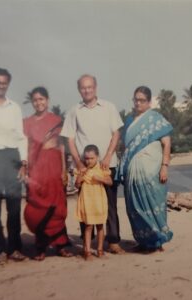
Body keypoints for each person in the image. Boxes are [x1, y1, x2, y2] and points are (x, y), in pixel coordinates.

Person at [61, 74, 125, 254]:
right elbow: (70, 140)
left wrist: (107, 156)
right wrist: (79, 163)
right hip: (84, 168)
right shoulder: (74, 111)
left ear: (95, 87)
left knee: (110, 205)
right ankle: (88, 242)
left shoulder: (109, 107)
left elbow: (116, 134)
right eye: (83, 87)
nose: (86, 90)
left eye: (89, 87)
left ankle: (113, 241)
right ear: (79, 89)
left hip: (106, 165)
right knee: (85, 204)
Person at [119, 86, 173, 252]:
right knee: (135, 206)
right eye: (135, 99)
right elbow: (125, 147)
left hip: (153, 170)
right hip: (132, 173)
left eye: (141, 100)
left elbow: (166, 143)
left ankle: (158, 241)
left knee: (155, 202)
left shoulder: (156, 119)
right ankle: (143, 241)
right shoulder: (128, 122)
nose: (138, 103)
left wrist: (164, 167)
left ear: (149, 102)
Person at [23, 87, 72, 261]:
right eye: (35, 100)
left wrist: (64, 169)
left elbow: (61, 147)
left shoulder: (56, 120)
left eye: (41, 99)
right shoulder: (26, 123)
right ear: (32, 102)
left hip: (53, 168)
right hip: (36, 170)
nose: (39, 103)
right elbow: (24, 147)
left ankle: (61, 245)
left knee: (57, 206)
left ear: (48, 100)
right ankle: (41, 247)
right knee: (38, 207)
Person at [0, 68, 28, 265]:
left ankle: (14, 248)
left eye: (4, 83)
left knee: (14, 208)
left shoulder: (15, 107)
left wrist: (23, 163)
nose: (0, 86)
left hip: (12, 158)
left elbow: (21, 137)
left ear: (8, 84)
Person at [75, 145, 113, 260]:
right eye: (86, 158)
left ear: (97, 157)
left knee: (100, 225)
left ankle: (100, 250)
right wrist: (81, 176)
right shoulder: (82, 169)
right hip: (87, 200)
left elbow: (110, 182)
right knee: (88, 226)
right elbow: (77, 185)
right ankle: (87, 251)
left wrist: (100, 179)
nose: (89, 161)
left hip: (99, 200)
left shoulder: (102, 168)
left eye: (91, 158)